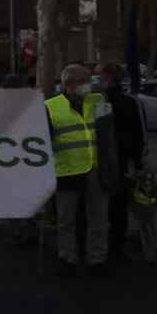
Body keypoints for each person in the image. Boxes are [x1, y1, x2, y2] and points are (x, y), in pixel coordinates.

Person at [47, 64, 118, 277]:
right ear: (70, 84)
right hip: (66, 170)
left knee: (99, 218)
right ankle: (67, 259)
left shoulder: (98, 101)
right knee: (66, 220)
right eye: (85, 81)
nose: (90, 84)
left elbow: (108, 133)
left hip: (96, 169)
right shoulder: (50, 106)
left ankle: (97, 259)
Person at [98, 63, 146, 264]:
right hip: (123, 160)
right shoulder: (129, 102)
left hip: (100, 160)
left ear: (108, 79)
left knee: (100, 205)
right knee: (120, 206)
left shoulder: (98, 102)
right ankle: (118, 245)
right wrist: (137, 162)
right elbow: (138, 135)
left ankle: (101, 245)